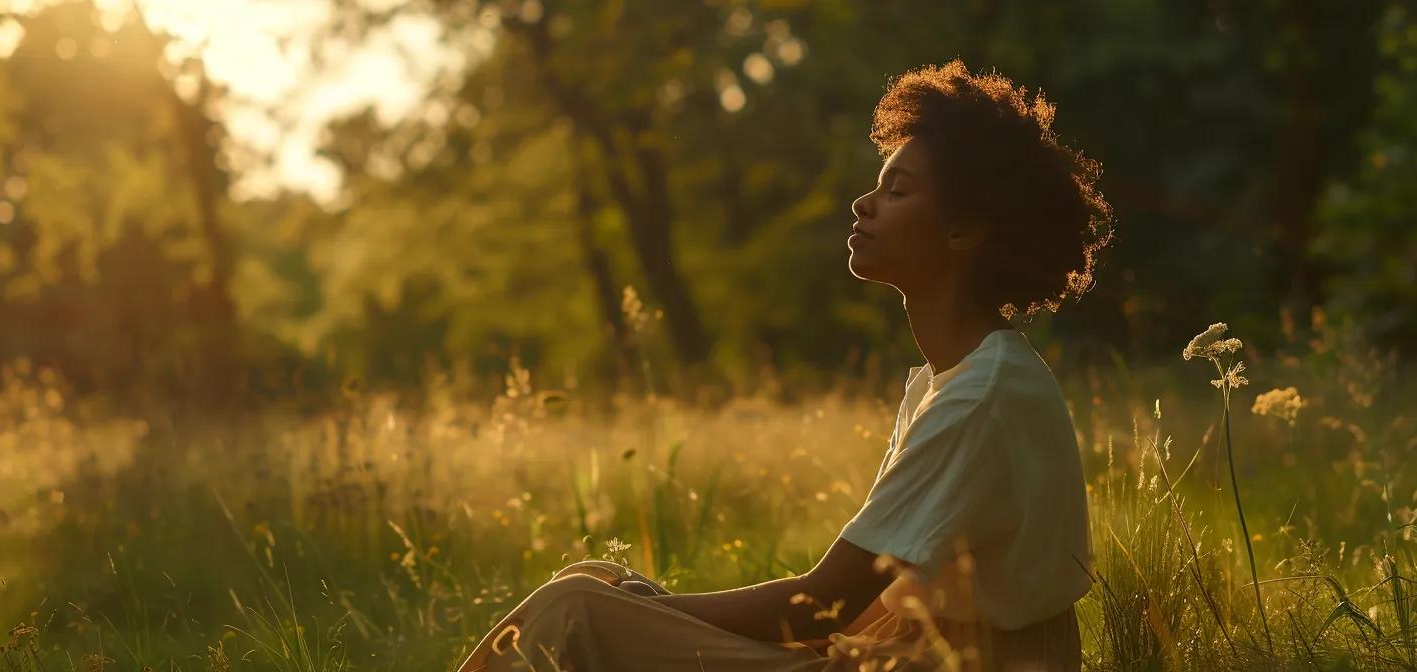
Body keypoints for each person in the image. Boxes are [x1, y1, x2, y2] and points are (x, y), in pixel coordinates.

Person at [455, 58, 1112, 672]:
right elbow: (854, 609)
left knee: (577, 610)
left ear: (965, 231)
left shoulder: (980, 396)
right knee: (589, 582)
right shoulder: (951, 381)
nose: (864, 203)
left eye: (898, 191)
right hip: (892, 651)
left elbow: (815, 604)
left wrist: (642, 614)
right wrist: (635, 606)